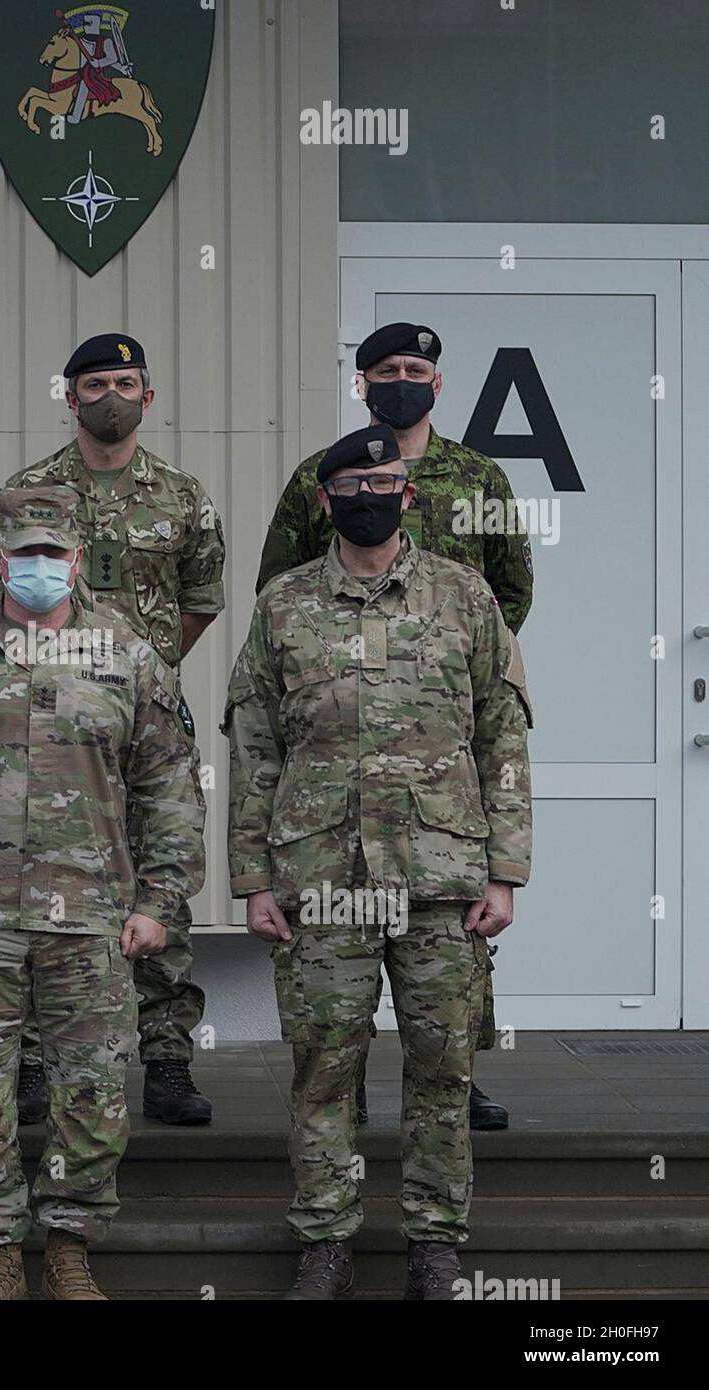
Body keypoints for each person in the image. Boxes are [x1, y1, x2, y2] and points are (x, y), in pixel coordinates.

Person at [0, 486, 206, 1299]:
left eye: (55, 554)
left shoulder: (126, 656)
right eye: (26, 554)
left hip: (91, 917)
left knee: (89, 1089)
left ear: (78, 560)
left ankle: (68, 1241)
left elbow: (169, 786)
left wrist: (160, 901)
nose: (41, 568)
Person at [224, 427, 532, 1300]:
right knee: (325, 1069)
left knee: (444, 1069)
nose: (371, 490)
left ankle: (435, 1244)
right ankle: (325, 1240)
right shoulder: (283, 605)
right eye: (353, 479)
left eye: (386, 478)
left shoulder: (465, 597)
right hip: (320, 878)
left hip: (444, 879)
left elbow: (505, 736)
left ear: (408, 494)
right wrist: (252, 879)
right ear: (325, 499)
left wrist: (505, 871)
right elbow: (253, 747)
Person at [255, 322, 533, 1132]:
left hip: (450, 701)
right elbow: (284, 580)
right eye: (385, 369)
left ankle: (459, 1068)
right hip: (339, 703)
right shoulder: (324, 473)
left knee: (456, 897)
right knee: (347, 916)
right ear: (362, 382)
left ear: (438, 383)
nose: (401, 379)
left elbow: (512, 586)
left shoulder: (477, 475)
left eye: (415, 369)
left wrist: (457, 657)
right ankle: (351, 1081)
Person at [0, 334, 224, 1126]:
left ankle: (165, 1057)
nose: (109, 395)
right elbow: (4, 598)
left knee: (160, 872)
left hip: (143, 720)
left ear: (147, 397)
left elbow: (200, 600)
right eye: (94, 384)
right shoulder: (28, 491)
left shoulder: (183, 496)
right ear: (70, 395)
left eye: (125, 382)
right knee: (35, 873)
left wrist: (133, 679)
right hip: (40, 716)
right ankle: (29, 1062)